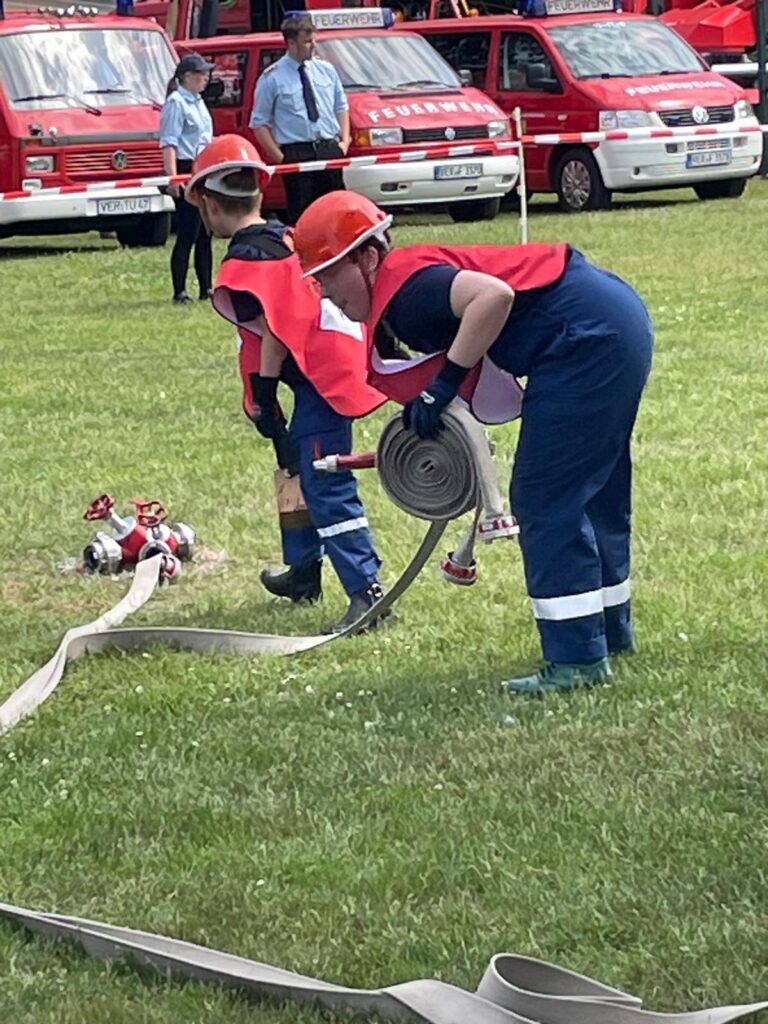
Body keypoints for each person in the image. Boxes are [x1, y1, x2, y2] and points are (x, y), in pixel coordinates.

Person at [293, 191, 654, 695]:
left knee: (546, 496)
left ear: (367, 257)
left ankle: (577, 660)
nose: (325, 293)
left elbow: (494, 297)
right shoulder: (406, 286)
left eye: (329, 274)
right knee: (596, 491)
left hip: (585, 338)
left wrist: (443, 385)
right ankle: (609, 631)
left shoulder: (408, 295)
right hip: (610, 319)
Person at [186, 137, 388, 632]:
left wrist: (265, 388)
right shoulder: (285, 236)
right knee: (294, 461)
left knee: (323, 477)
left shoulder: (247, 261)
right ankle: (303, 570)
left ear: (208, 204)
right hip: (326, 365)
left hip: (320, 374)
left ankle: (368, 590)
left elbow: (275, 326)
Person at [249, 14, 350, 226]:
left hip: (328, 147)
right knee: (303, 216)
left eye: (313, 40)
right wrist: (280, 157)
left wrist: (344, 142)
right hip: (297, 151)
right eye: (307, 41)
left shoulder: (326, 70)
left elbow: (341, 106)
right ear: (291, 43)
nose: (313, 45)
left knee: (336, 210)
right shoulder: (272, 77)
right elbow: (259, 123)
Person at [160, 52, 215, 305]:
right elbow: (169, 142)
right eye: (201, 74)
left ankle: (207, 287)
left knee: (206, 231)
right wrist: (173, 178)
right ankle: (179, 290)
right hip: (184, 167)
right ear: (187, 77)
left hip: (203, 167)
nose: (206, 78)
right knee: (187, 232)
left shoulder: (198, 102)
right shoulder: (176, 103)